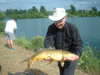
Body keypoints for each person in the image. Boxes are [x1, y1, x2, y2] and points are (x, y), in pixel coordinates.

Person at [44, 8, 83, 75]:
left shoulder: (72, 28)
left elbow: (78, 43)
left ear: (65, 18)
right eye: (56, 21)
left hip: (70, 56)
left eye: (60, 20)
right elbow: (48, 41)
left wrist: (77, 55)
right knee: (62, 72)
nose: (58, 23)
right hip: (59, 56)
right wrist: (48, 50)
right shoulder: (51, 28)